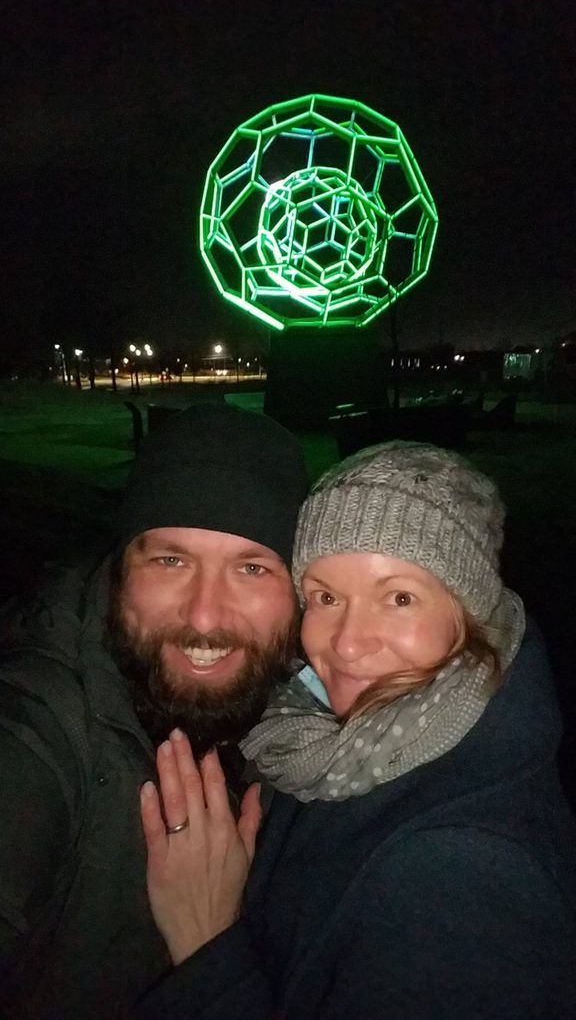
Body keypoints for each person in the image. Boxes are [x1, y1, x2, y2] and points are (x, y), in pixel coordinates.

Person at [136, 441, 576, 1020]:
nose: (344, 642)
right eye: (325, 597)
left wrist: (207, 944)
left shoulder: (462, 874)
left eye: (399, 598)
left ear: (471, 614)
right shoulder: (332, 745)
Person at [0, 402, 308, 1020]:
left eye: (252, 568)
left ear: (301, 593)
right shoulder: (40, 718)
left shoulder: (321, 733)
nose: (203, 616)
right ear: (119, 573)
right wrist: (212, 956)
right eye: (170, 560)